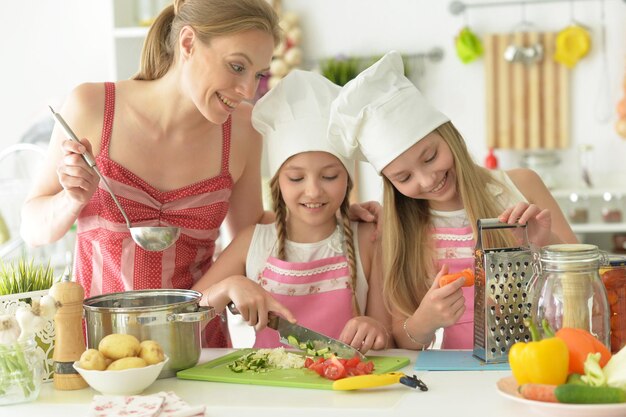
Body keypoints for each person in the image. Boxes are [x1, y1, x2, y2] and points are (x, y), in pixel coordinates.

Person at [20, 0, 282, 347]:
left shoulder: (244, 131)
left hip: (196, 349)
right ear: (187, 43)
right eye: (237, 67)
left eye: (258, 74)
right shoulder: (94, 106)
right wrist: (70, 200)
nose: (248, 90)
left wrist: (327, 211)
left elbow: (250, 238)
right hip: (99, 353)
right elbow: (32, 229)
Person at [328, 51, 578, 350]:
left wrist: (545, 241)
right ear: (391, 184)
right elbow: (396, 336)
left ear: (451, 137)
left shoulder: (521, 184)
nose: (427, 180)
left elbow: (587, 283)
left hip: (543, 358)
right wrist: (425, 320)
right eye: (404, 178)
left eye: (431, 156)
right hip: (455, 378)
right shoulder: (397, 231)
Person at [191, 70, 391, 353]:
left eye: (330, 176)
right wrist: (226, 288)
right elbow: (183, 316)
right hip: (271, 391)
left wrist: (375, 329)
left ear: (348, 180)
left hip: (347, 389)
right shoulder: (253, 242)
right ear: (277, 183)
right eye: (296, 178)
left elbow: (387, 334)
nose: (313, 191)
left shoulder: (368, 240)